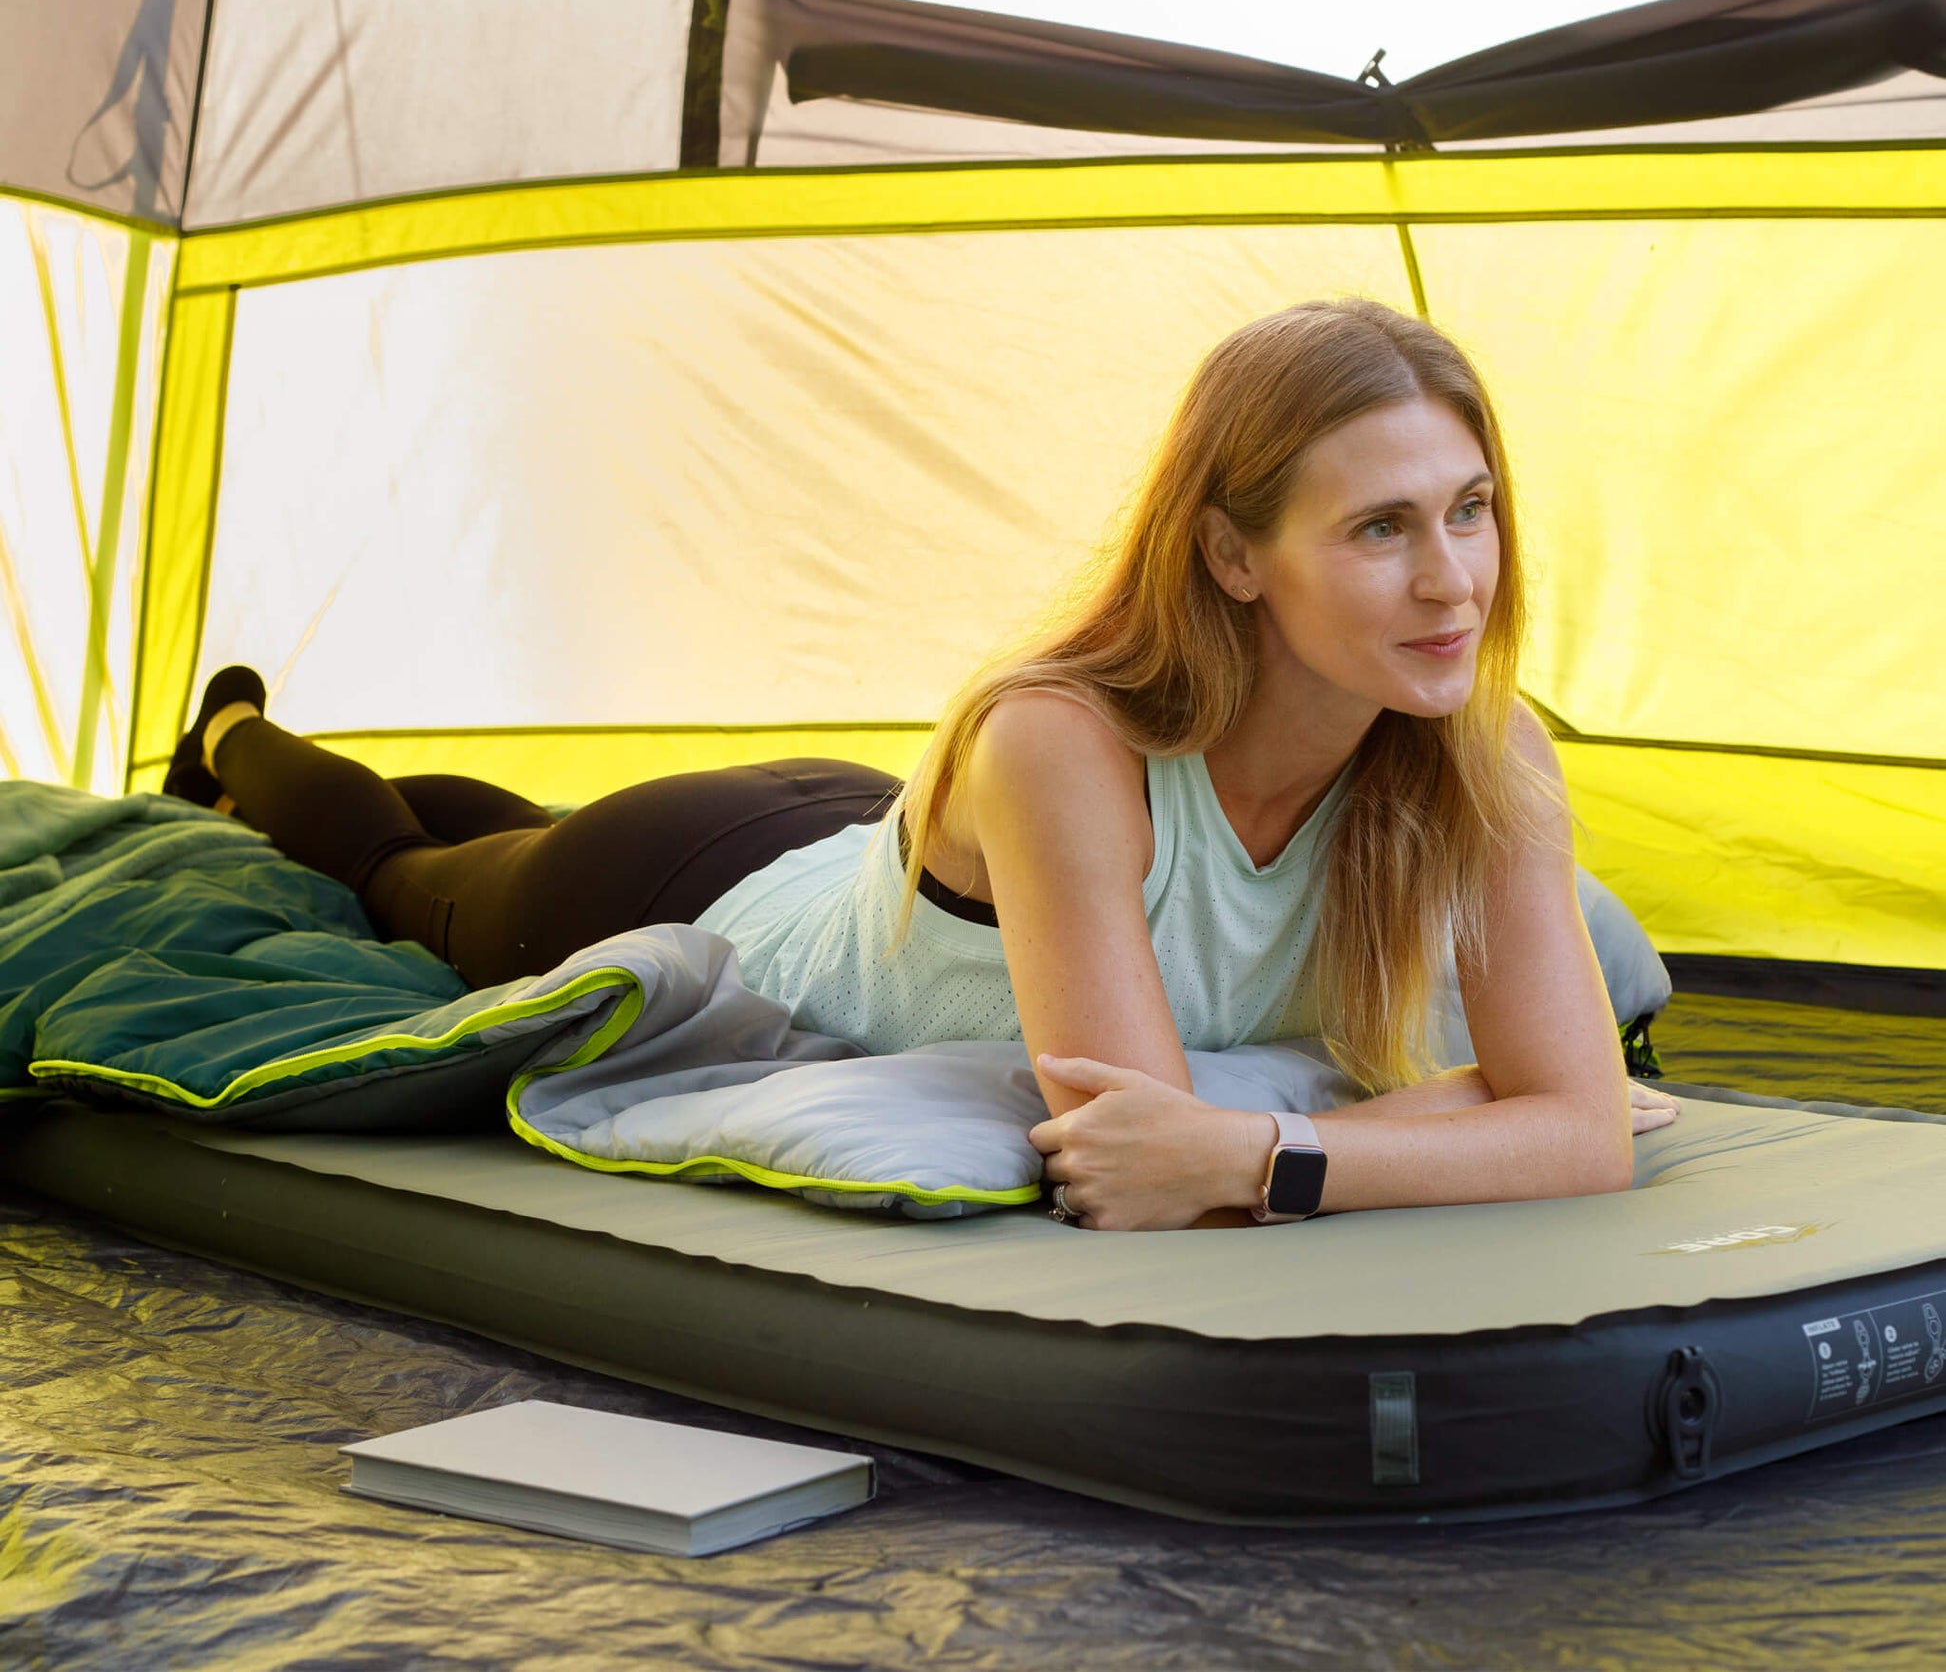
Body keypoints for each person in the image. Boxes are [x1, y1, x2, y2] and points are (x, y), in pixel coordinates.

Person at [166, 297, 1679, 1229]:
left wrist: (1281, 1142)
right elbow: (1139, 1167)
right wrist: (1454, 1112)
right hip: (708, 888)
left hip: (882, 839)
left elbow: (1574, 1133)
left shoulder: (1482, 754)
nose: (1450, 581)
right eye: (1379, 527)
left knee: (495, 819)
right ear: (1229, 553)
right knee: (418, 877)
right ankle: (232, 741)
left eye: (1467, 508)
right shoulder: (1061, 742)